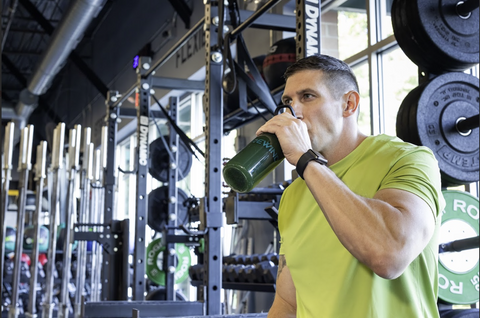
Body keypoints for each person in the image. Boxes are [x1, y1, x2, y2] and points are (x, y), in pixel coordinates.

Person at [258, 54, 445, 317]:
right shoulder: (293, 195)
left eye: (308, 96)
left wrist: (304, 159)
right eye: (288, 101)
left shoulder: (407, 159)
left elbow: (388, 254)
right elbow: (288, 304)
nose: (293, 112)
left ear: (348, 104)